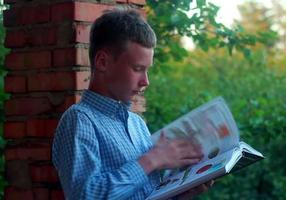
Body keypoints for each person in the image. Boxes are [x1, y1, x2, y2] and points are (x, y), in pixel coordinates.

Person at [52, 9, 213, 200]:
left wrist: (182, 192)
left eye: (147, 70)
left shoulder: (137, 124)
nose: (146, 81)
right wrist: (153, 159)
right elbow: (86, 197)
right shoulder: (79, 120)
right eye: (138, 68)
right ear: (102, 62)